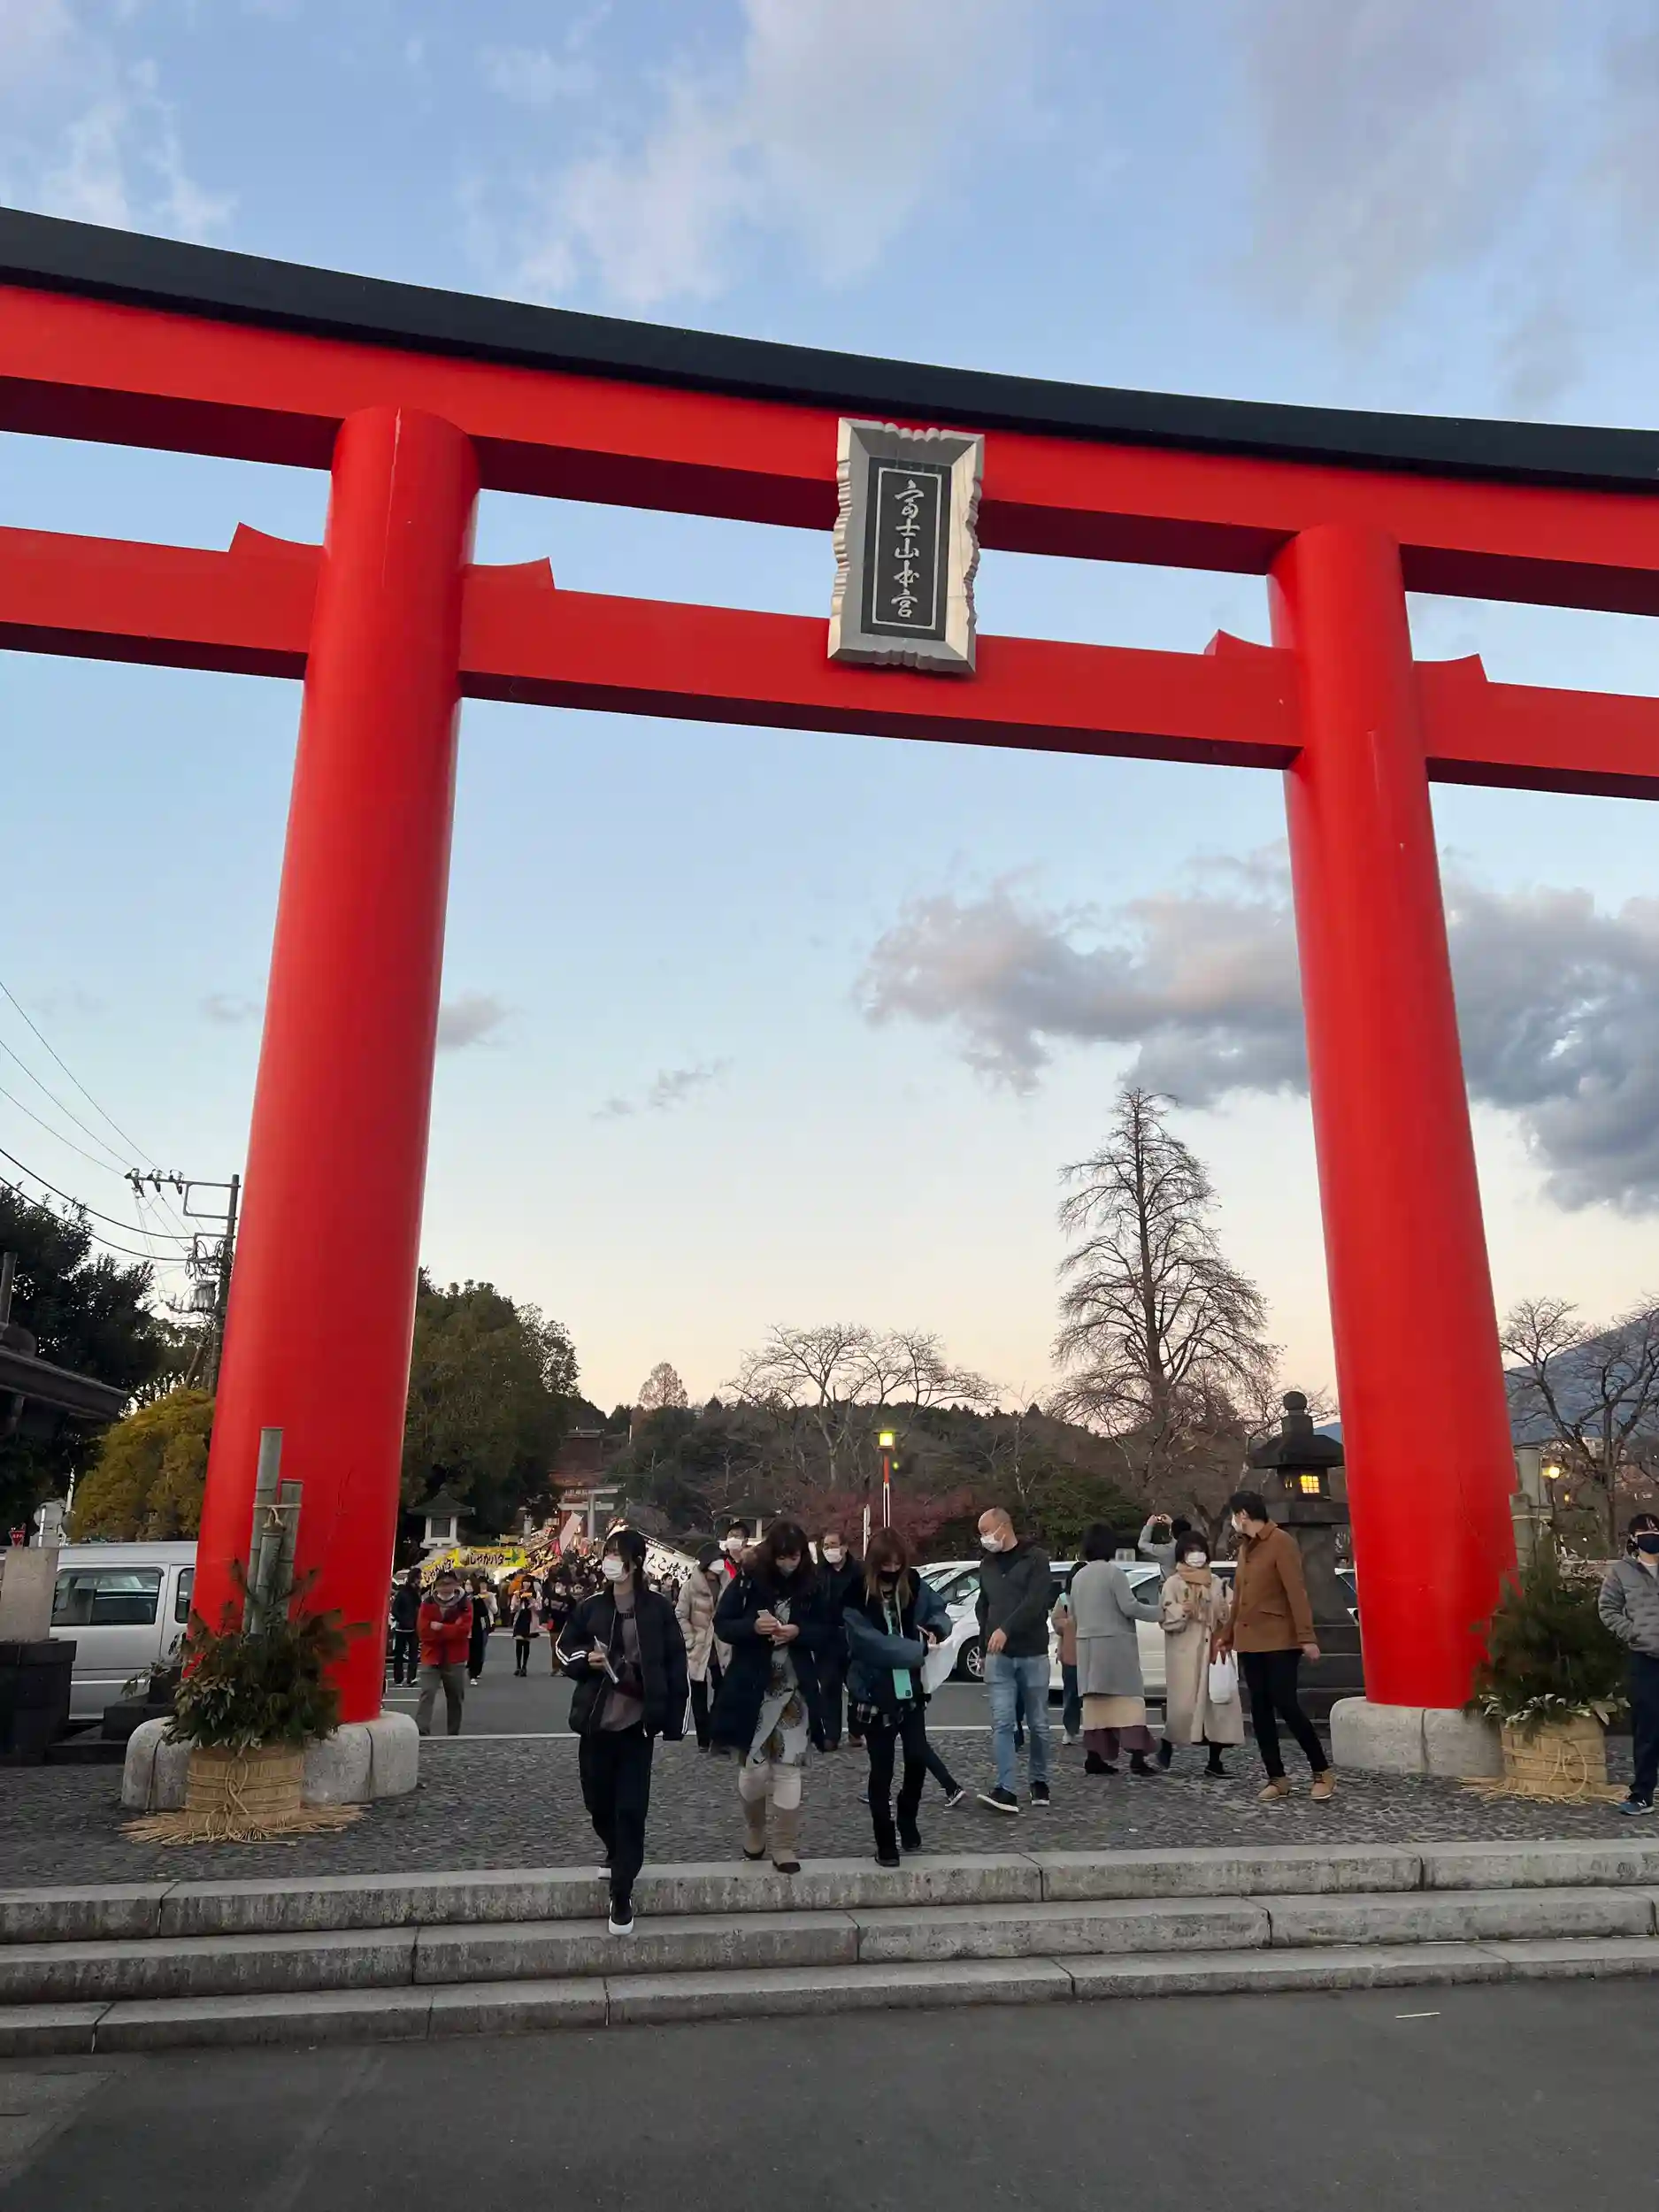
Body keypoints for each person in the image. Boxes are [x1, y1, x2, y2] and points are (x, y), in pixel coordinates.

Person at [557, 1527, 688, 1936]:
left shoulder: (658, 1609)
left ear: (635, 1562)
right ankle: (615, 1850)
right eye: (608, 1553)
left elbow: (675, 1663)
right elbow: (564, 1648)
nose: (610, 1560)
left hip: (637, 1725)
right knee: (597, 1801)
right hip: (596, 1721)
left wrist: (674, 1719)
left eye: (617, 1554)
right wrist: (586, 1659)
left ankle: (622, 1891)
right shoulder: (591, 1607)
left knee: (631, 1807)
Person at [711, 1520, 829, 1872]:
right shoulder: (748, 1581)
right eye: (782, 1557)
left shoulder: (814, 1585)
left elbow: (830, 1630)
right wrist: (752, 1627)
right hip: (753, 1688)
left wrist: (799, 1632)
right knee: (753, 1771)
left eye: (794, 1557)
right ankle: (755, 1828)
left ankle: (785, 1845)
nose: (788, 1564)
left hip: (795, 1689)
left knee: (788, 1769)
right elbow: (723, 1623)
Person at [842, 1529, 952, 1865]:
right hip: (874, 1691)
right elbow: (870, 1643)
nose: (892, 1570)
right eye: (886, 1565)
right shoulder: (855, 1594)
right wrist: (916, 1650)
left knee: (917, 1759)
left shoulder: (914, 1584)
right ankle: (885, 1838)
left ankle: (907, 1816)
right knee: (882, 1769)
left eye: (897, 1564)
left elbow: (939, 1611)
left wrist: (936, 1629)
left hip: (911, 1690)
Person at [1221, 1489, 1333, 1801]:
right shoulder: (1245, 1547)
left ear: (1243, 1515)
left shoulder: (1281, 1542)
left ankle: (1321, 1771)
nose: (1233, 1522)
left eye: (1233, 1516)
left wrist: (1306, 1636)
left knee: (1286, 1703)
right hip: (1249, 1640)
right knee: (1259, 1709)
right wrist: (1227, 1635)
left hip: (1279, 1639)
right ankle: (1277, 1777)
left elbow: (1296, 1591)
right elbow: (1239, 1597)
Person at [974, 1507, 1053, 1813]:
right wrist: (983, 1647)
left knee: (1039, 1723)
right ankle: (1005, 1788)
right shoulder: (987, 1564)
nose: (984, 1539)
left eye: (986, 1531)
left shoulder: (1036, 1559)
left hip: (1032, 1652)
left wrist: (1006, 1629)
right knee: (1003, 1722)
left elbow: (1035, 1602)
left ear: (1004, 1527)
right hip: (999, 1657)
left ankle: (1039, 1780)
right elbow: (983, 1606)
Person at [1070, 1524, 1163, 1775]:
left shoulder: (1078, 1577)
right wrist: (1160, 1612)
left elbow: (1074, 1613)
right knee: (1129, 1703)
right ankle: (1137, 1758)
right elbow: (1130, 1606)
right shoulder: (1114, 1573)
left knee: (1095, 1706)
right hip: (1115, 1649)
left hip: (1088, 1649)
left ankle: (1094, 1757)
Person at [1156, 1529, 1244, 1776]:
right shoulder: (1173, 1583)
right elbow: (1164, 1616)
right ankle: (1167, 1741)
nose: (1196, 1556)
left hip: (1213, 1650)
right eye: (1190, 1551)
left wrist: (1224, 1611)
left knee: (1218, 1706)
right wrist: (1181, 1611)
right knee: (1184, 1708)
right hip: (1185, 1653)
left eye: (1199, 1551)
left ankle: (1215, 1762)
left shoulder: (1216, 1582)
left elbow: (1230, 1611)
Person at [1599, 1511, 1659, 1816]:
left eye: (1656, 1531)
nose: (1652, 1537)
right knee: (1647, 1728)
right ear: (1633, 1538)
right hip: (1646, 1658)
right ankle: (1642, 1795)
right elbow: (1608, 1609)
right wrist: (1633, 1632)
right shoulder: (1622, 1571)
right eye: (1646, 1533)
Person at [677, 1541, 730, 1751]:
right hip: (698, 1646)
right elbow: (681, 1615)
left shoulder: (728, 1584)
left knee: (723, 1690)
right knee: (698, 1693)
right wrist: (690, 1639)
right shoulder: (690, 1587)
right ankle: (703, 1738)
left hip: (721, 1646)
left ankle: (717, 1732)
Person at [814, 1529, 862, 1750]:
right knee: (829, 1686)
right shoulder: (818, 1573)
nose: (829, 1550)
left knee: (856, 1686)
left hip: (854, 1636)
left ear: (844, 1547)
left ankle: (856, 1730)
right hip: (827, 1638)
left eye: (833, 1545)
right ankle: (831, 1734)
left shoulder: (859, 1572)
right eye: (826, 1546)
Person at [415, 1567, 472, 1737]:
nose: (446, 1588)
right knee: (427, 1692)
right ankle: (421, 1729)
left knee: (455, 1697)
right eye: (442, 1584)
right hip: (431, 1655)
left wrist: (440, 1628)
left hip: (456, 1656)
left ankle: (453, 1732)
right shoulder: (428, 1603)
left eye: (450, 1584)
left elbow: (463, 1630)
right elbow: (423, 1631)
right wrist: (451, 1629)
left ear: (456, 1585)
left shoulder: (464, 1604)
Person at [1052, 1572, 1082, 1747]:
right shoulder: (1064, 1599)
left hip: (1093, 1653)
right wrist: (1070, 1623)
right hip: (1071, 1653)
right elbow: (1056, 1621)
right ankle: (1070, 1729)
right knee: (1071, 1694)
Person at [388, 1566, 423, 1687]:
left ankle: (411, 1677)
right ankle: (398, 1678)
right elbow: (394, 1610)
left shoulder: (417, 1593)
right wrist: (403, 1620)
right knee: (399, 1654)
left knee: (414, 1654)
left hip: (414, 1627)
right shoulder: (402, 1593)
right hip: (402, 1628)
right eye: (419, 1578)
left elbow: (419, 1608)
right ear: (414, 1579)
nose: (420, 1580)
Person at [467, 1577, 494, 1685]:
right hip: (464, 1627)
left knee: (476, 1650)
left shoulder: (477, 1599)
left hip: (476, 1627)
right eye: (466, 1584)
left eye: (469, 1584)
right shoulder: (461, 1598)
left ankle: (473, 1673)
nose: (468, 1587)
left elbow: (484, 1612)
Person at [511, 1586, 538, 1678]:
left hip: (529, 1621)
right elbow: (512, 1609)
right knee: (518, 1643)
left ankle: (524, 1666)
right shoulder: (517, 1594)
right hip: (519, 1620)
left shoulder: (534, 1594)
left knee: (526, 1643)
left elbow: (538, 1608)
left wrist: (531, 1601)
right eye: (524, 1582)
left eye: (528, 1582)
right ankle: (518, 1666)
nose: (526, 1584)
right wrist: (517, 1602)